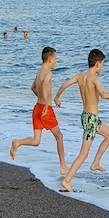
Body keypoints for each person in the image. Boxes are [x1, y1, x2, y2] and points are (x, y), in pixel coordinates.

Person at [55, 49, 109, 192]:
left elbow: (63, 85)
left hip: (87, 117)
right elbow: (103, 95)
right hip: (91, 119)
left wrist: (57, 98)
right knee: (83, 153)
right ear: (97, 64)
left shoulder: (80, 76)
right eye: (103, 63)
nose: (103, 66)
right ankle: (67, 181)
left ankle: (96, 163)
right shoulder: (95, 79)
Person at [9, 46, 68, 175]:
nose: (56, 61)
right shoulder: (48, 73)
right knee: (59, 136)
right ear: (50, 60)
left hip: (37, 108)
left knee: (36, 141)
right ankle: (63, 167)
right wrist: (47, 105)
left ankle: (18, 142)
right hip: (45, 110)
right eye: (55, 59)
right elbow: (46, 84)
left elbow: (33, 88)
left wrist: (42, 101)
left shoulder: (39, 71)